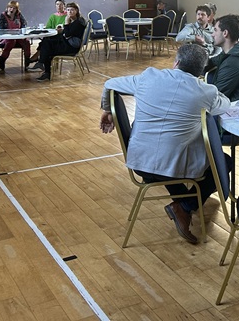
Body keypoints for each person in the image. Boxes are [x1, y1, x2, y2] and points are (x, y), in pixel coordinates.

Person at [99, 44, 231, 244]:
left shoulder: (148, 77)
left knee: (174, 157)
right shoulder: (206, 92)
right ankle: (185, 206)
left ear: (176, 62)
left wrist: (108, 109)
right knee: (224, 162)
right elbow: (226, 104)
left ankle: (183, 206)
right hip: (174, 167)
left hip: (138, 161)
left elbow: (109, 83)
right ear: (201, 71)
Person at [29, 2, 87, 81]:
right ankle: (43, 66)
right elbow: (69, 32)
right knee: (47, 40)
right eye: (68, 10)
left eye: (72, 10)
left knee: (47, 47)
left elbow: (67, 34)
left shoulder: (78, 22)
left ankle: (43, 66)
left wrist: (66, 22)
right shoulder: (76, 20)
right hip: (68, 43)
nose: (70, 12)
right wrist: (61, 30)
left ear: (76, 11)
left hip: (72, 47)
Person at [207, 14, 239, 101]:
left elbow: (214, 99)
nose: (212, 35)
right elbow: (208, 63)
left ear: (225, 33)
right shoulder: (234, 52)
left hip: (235, 111)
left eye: (215, 30)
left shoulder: (232, 64)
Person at [0, 0, 31, 72]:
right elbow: (0, 29)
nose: (11, 9)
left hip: (18, 36)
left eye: (14, 8)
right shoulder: (2, 16)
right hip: (6, 38)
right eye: (10, 7)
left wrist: (22, 29)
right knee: (11, 41)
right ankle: (3, 59)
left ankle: (27, 60)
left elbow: (24, 24)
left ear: (16, 9)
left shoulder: (19, 15)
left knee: (26, 42)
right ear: (7, 7)